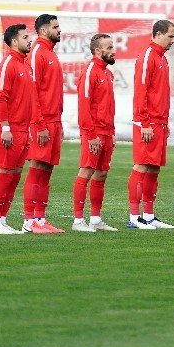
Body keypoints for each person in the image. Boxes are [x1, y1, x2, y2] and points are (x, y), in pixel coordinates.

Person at [127, 20, 174, 229]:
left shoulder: (162, 59)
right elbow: (141, 92)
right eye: (170, 36)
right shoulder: (148, 56)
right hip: (147, 123)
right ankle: (133, 217)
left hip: (159, 122)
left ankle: (148, 215)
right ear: (158, 34)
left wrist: (164, 121)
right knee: (142, 166)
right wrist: (144, 123)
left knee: (154, 169)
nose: (173, 40)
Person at [0, 23, 36, 234]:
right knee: (6, 173)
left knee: (15, 175)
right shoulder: (8, 64)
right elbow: (1, 96)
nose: (30, 40)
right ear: (14, 42)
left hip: (23, 129)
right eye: (25, 37)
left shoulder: (25, 65)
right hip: (10, 128)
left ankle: (3, 219)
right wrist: (4, 126)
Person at [72, 33, 119, 232]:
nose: (113, 51)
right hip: (94, 132)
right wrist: (90, 134)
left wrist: (112, 132)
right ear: (98, 51)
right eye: (109, 48)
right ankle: (78, 221)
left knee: (101, 175)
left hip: (107, 132)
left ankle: (95, 219)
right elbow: (84, 105)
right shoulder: (90, 70)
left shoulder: (107, 73)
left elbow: (108, 106)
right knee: (86, 171)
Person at [24, 14, 65, 233]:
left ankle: (40, 219)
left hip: (53, 121)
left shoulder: (50, 53)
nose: (60, 30)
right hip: (41, 121)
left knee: (47, 169)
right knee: (37, 166)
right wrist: (38, 124)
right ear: (42, 30)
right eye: (55, 27)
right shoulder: (38, 52)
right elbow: (32, 91)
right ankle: (29, 220)